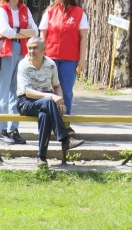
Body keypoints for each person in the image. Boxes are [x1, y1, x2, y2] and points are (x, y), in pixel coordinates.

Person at [16, 37, 84, 167]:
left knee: (45, 115)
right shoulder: (23, 65)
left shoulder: (51, 64)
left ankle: (41, 157)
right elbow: (28, 92)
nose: (31, 51)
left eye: (35, 47)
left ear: (43, 50)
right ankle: (65, 138)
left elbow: (57, 86)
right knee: (48, 101)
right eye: (29, 48)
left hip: (46, 103)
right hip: (26, 102)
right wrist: (51, 97)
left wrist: (61, 103)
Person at [39, 0, 89, 133]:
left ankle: (65, 122)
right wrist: (41, 57)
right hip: (50, 56)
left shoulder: (79, 12)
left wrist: (82, 59)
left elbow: (83, 37)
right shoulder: (49, 12)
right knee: (50, 91)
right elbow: (43, 34)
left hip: (70, 58)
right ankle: (50, 122)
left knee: (66, 90)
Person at [0, 0, 37, 145]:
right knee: (3, 90)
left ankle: (13, 129)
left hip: (22, 50)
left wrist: (16, 32)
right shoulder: (2, 9)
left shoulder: (24, 9)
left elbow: (35, 31)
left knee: (18, 91)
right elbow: (4, 31)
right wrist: (22, 32)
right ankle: (0, 130)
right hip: (7, 51)